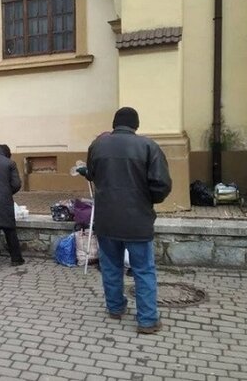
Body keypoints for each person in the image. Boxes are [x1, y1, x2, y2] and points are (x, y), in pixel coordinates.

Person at [81, 107, 171, 334]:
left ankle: (115, 308)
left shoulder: (97, 145)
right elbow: (161, 184)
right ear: (136, 125)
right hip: (137, 220)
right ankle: (147, 320)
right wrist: (146, 200)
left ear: (114, 124)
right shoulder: (149, 146)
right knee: (143, 270)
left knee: (111, 266)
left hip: (106, 219)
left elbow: (92, 173)